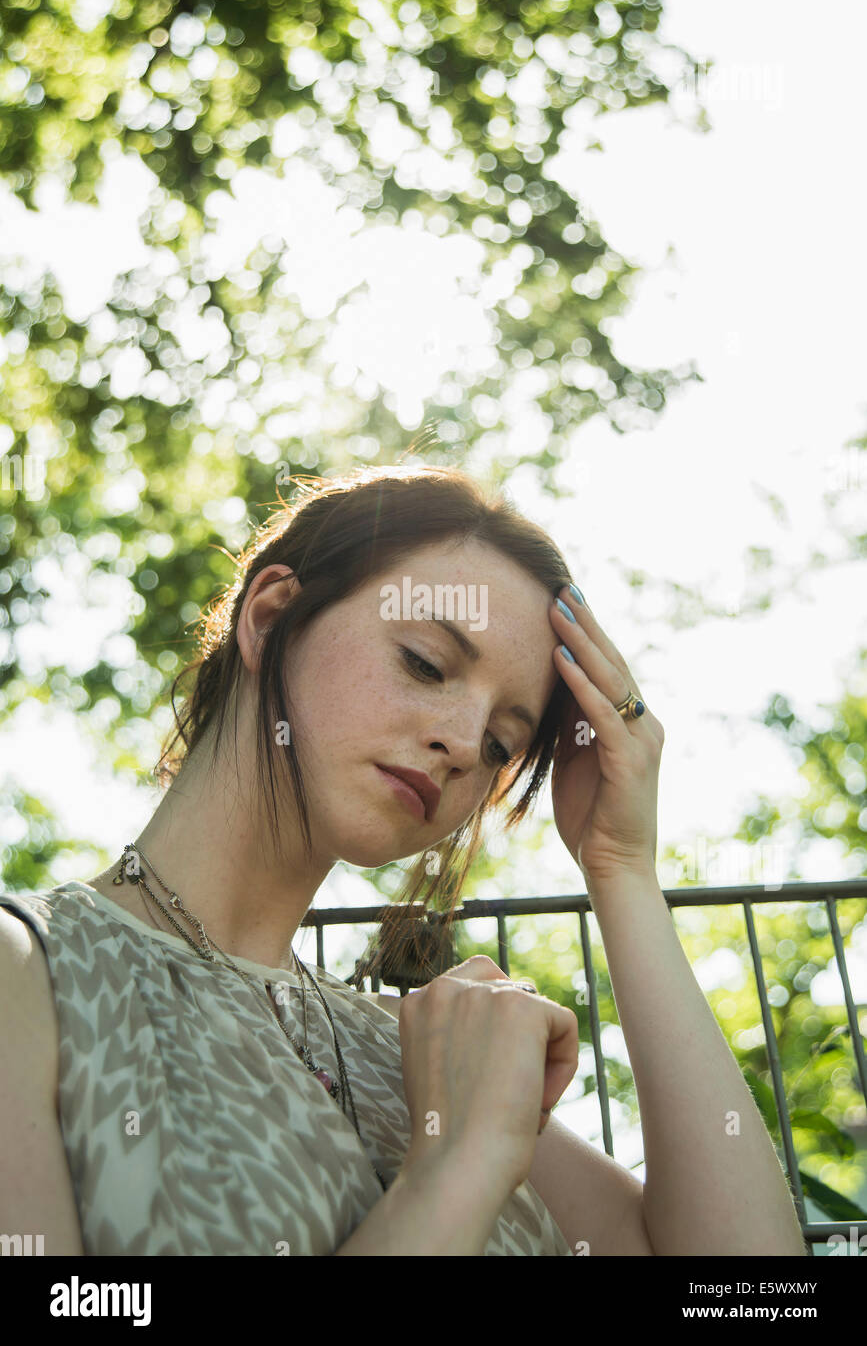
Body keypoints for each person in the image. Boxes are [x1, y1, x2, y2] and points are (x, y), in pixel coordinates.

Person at [0, 464, 807, 1256]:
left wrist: (621, 867)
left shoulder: (423, 1052)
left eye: (499, 743)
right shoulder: (30, 977)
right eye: (424, 663)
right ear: (273, 615)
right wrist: (453, 1171)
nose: (462, 743)